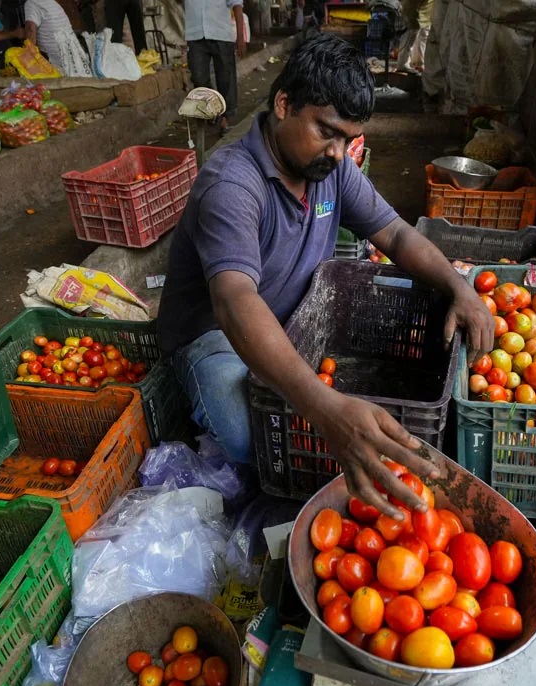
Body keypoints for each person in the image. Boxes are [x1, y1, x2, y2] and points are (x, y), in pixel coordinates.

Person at [156, 34, 492, 517]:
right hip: (216, 336)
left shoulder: (328, 169)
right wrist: (326, 410)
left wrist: (459, 287)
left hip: (291, 316)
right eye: (326, 132)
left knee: (326, 414)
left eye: (347, 139)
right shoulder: (232, 185)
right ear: (283, 103)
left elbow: (395, 235)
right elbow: (234, 302)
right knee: (250, 430)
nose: (338, 152)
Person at [185, 0, 247, 134]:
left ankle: (226, 118)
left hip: (221, 33)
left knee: (226, 79)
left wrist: (240, 36)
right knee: (198, 78)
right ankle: (214, 110)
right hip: (195, 35)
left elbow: (237, 5)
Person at [24, 0, 88, 70]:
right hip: (74, 59)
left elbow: (30, 29)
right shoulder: (50, 2)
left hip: (58, 63)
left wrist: (28, 58)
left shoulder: (32, 3)